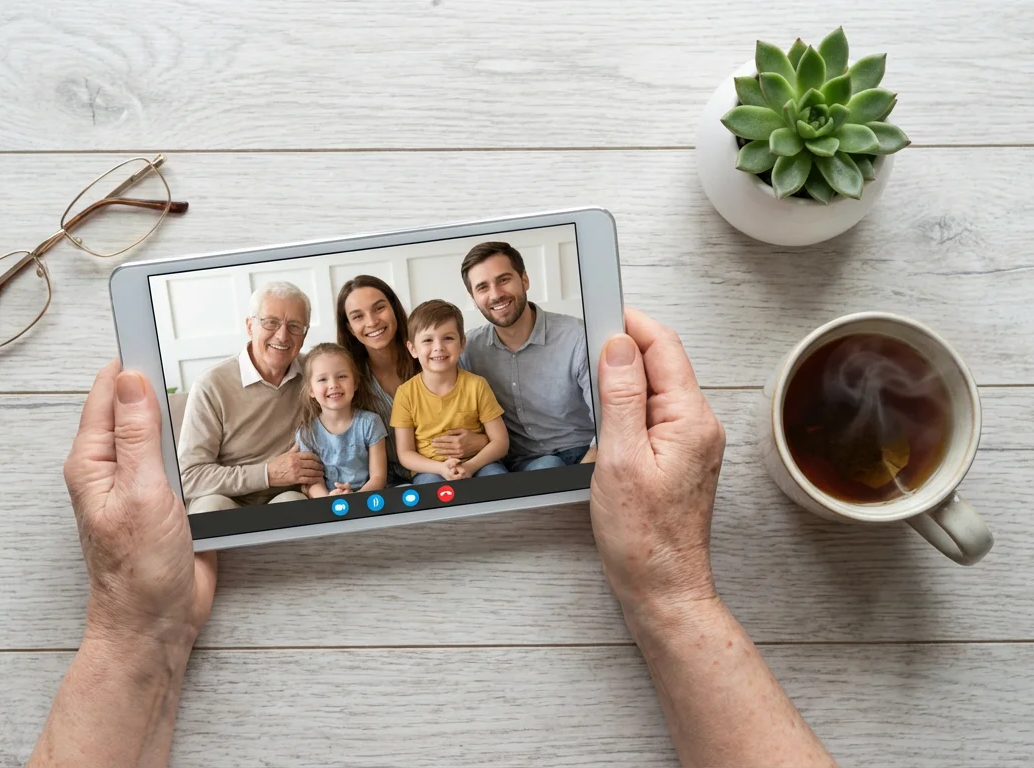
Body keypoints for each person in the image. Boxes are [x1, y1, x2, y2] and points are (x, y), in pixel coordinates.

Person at [41, 308, 836, 767]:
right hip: (359, 486)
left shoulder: (425, 397)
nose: (327, 385)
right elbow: (334, 469)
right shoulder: (303, 412)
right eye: (318, 377)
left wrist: (133, 630)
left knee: (495, 477)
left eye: (337, 376)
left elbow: (404, 460)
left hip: (462, 470)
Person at [176, 281, 325, 513]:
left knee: (293, 505)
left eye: (295, 326)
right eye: (270, 322)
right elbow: (189, 477)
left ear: (304, 334)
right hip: (224, 497)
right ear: (249, 326)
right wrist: (267, 474)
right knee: (211, 510)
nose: (283, 335)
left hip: (289, 494)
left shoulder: (316, 374)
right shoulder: (211, 385)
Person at [458, 241, 598, 471]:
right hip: (523, 465)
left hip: (586, 452)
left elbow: (610, 421)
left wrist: (583, 476)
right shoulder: (469, 350)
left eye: (503, 280)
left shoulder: (577, 336)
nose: (495, 294)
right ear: (473, 298)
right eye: (482, 287)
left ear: (524, 280)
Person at [389, 300, 510, 483]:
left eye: (448, 338)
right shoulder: (405, 394)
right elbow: (405, 454)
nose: (438, 347)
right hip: (430, 470)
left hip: (479, 464)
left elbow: (501, 443)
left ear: (462, 344)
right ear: (413, 349)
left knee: (497, 480)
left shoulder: (477, 385)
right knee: (430, 489)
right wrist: (440, 468)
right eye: (428, 340)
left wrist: (470, 466)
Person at [335, 275, 420, 483]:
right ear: (349, 329)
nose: (372, 322)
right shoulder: (347, 382)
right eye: (358, 317)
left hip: (442, 470)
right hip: (384, 485)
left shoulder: (430, 356)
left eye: (379, 308)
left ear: (393, 308)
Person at [294, 343, 389, 497]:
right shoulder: (307, 432)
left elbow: (378, 478)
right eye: (323, 379)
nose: (333, 385)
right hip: (327, 503)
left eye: (342, 376)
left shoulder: (370, 423)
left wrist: (354, 499)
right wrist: (329, 500)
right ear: (311, 390)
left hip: (368, 499)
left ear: (355, 382)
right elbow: (313, 482)